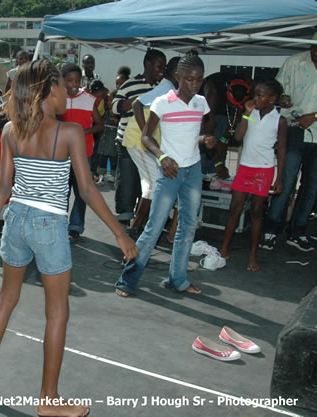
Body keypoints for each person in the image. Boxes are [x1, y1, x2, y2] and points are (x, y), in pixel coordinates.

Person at [0, 59, 137, 417]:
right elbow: (88, 190)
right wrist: (121, 235)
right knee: (58, 313)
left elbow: (3, 186)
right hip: (48, 226)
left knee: (6, 298)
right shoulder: (69, 133)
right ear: (48, 91)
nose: (68, 92)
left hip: (15, 220)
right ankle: (48, 400)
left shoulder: (13, 131)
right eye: (63, 86)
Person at [115, 51, 215, 297]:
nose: (194, 84)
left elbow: (190, 135)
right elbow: (146, 137)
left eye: (199, 79)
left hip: (193, 171)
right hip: (169, 171)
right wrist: (161, 157)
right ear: (178, 77)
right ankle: (126, 281)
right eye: (189, 79)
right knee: (154, 227)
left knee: (188, 227)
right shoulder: (163, 102)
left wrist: (205, 139)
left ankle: (177, 280)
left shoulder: (201, 103)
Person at [220, 80, 287, 270]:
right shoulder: (250, 114)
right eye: (254, 94)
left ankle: (253, 256)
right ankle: (224, 248)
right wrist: (247, 115)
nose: (254, 99)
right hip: (245, 167)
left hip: (264, 170)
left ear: (272, 99)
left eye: (260, 95)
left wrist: (279, 178)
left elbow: (281, 150)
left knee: (257, 212)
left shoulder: (279, 121)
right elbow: (239, 137)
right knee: (235, 209)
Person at [261, 37, 316, 252]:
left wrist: (314, 115)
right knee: (286, 180)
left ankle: (298, 231)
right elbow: (278, 89)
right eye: (313, 47)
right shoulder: (294, 62)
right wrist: (282, 98)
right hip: (294, 128)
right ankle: (271, 229)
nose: (316, 52)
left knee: (311, 187)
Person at [124, 57, 180, 236]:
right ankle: (136, 227)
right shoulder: (166, 88)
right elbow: (136, 104)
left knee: (152, 183)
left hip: (147, 143)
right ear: (178, 74)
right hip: (137, 140)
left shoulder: (172, 90)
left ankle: (139, 226)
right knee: (155, 183)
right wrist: (145, 135)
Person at [111, 50, 166, 225]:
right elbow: (114, 107)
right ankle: (125, 219)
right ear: (148, 64)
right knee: (128, 181)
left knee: (148, 182)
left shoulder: (162, 87)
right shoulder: (130, 84)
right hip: (128, 142)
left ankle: (142, 218)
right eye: (159, 66)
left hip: (151, 143)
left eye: (164, 67)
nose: (162, 70)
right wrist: (138, 100)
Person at [59, 63, 103, 241]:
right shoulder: (56, 98)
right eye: (69, 80)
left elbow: (100, 125)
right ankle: (60, 225)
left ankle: (75, 227)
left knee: (81, 192)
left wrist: (83, 132)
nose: (74, 84)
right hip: (60, 154)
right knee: (61, 192)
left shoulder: (89, 99)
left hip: (83, 154)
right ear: (62, 80)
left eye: (77, 80)